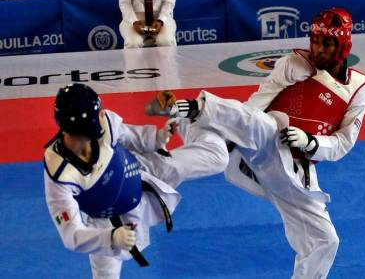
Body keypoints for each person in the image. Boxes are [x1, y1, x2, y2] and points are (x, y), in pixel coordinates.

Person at [146, 7, 365, 278]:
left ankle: (189, 126)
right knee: (265, 124)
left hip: (292, 171)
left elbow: (343, 143)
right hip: (254, 149)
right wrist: (233, 131)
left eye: (327, 43)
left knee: (325, 240)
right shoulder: (294, 63)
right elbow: (258, 103)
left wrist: (311, 142)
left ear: (343, 45)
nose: (318, 49)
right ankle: (189, 111)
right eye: (315, 41)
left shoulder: (358, 89)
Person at [44, 83, 228, 279]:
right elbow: (71, 235)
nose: (103, 112)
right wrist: (112, 238)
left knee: (218, 157)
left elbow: (129, 136)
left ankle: (189, 119)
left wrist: (157, 138)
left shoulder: (105, 124)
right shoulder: (60, 175)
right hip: (107, 223)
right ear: (86, 123)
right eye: (98, 111)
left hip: (143, 171)